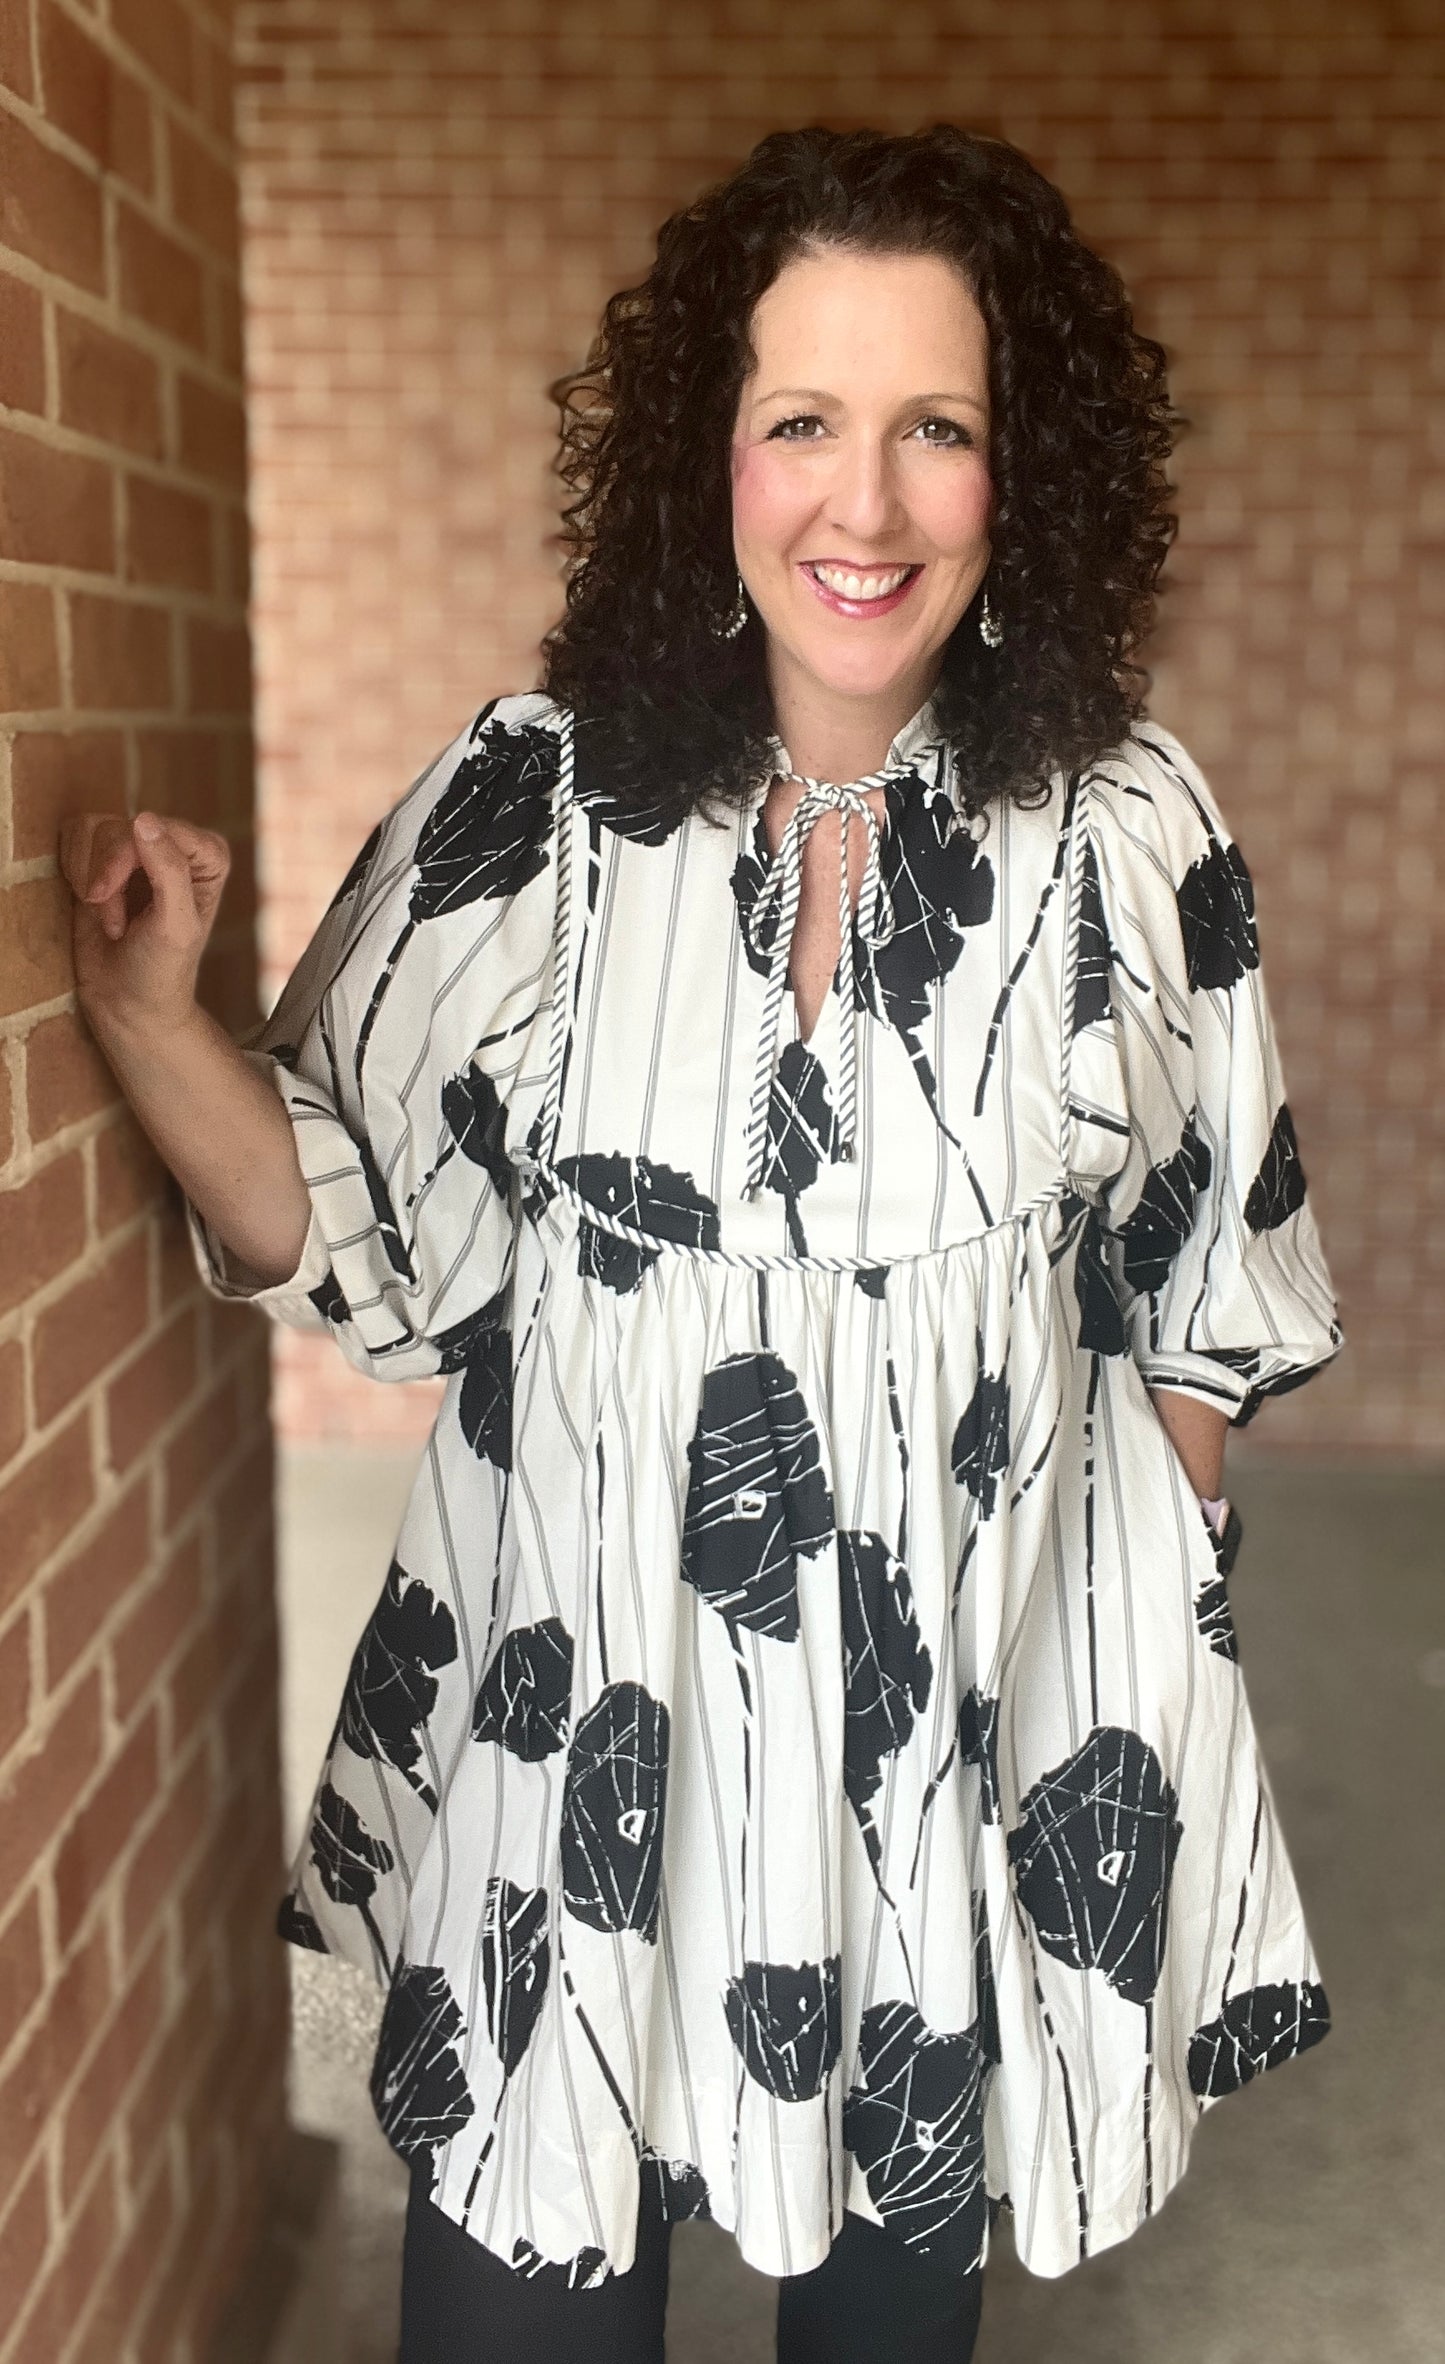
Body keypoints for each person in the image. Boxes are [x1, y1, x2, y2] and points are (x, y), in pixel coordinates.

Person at [62, 123, 1344, 2364]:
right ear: (711, 460)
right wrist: (146, 1022)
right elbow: (345, 1228)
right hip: (580, 1800)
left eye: (935, 427)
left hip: (932, 1807)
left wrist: (1100, 1703)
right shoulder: (537, 804)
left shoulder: (1131, 837)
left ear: (1019, 474)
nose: (864, 506)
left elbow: (1203, 1297)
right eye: (803, 424)